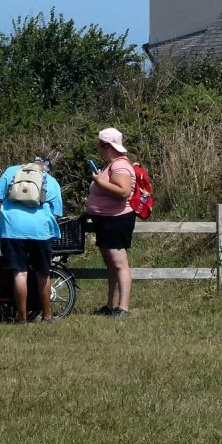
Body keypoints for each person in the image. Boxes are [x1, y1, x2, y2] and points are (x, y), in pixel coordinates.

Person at [0, 154, 64, 323]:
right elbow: (57, 212)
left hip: (12, 228)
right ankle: (47, 315)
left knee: (19, 273)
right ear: (46, 168)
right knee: (42, 273)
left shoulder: (11, 172)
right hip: (40, 231)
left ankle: (21, 318)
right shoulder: (51, 180)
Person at [85, 126, 136, 317]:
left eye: (99, 144)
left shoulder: (120, 166)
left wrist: (99, 181)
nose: (98, 148)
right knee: (111, 264)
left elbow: (123, 191)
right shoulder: (110, 165)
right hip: (106, 220)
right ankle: (111, 305)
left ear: (106, 145)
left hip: (117, 219)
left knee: (119, 263)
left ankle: (123, 307)